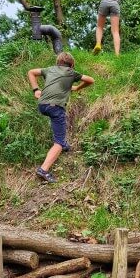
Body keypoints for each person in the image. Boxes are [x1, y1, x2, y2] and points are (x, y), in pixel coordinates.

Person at [28, 52, 94, 183]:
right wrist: (77, 88)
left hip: (42, 105)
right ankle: (43, 169)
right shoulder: (71, 72)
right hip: (56, 107)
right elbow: (91, 80)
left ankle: (63, 145)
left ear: (57, 62)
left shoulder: (49, 69)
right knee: (58, 141)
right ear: (72, 64)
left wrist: (36, 90)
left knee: (58, 119)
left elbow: (31, 72)